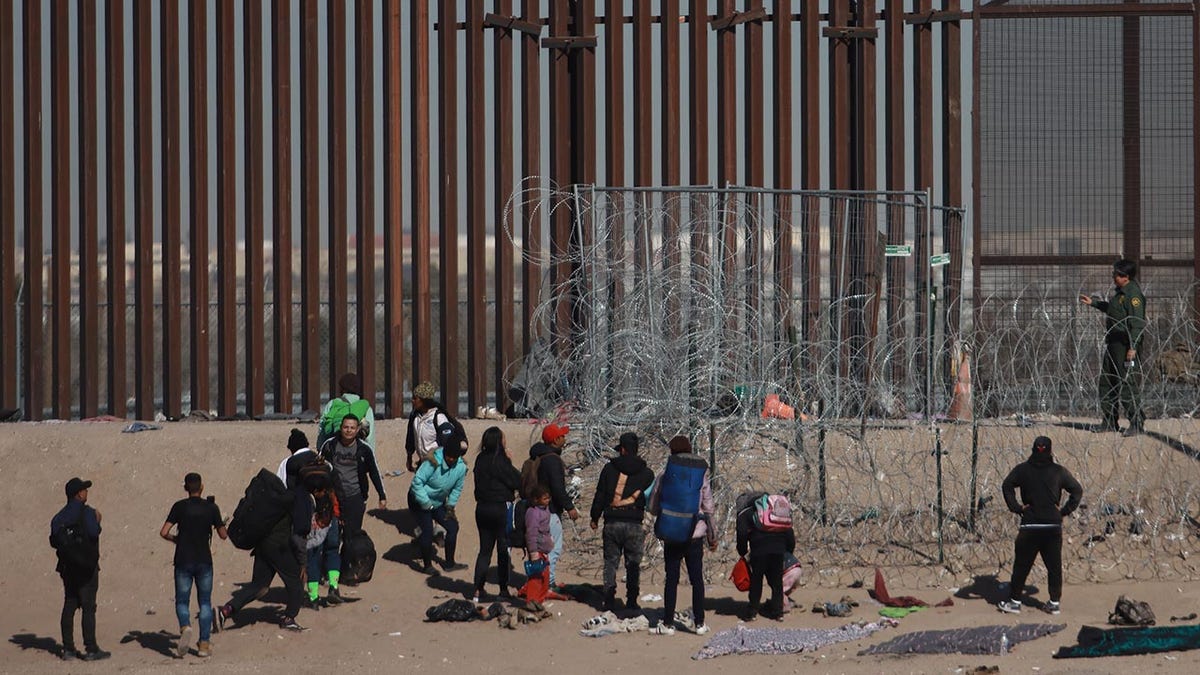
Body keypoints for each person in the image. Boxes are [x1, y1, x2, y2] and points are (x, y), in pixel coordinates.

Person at [219, 474, 318, 632]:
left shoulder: (280, 500)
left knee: (259, 586)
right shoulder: (302, 503)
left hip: (262, 545)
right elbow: (299, 537)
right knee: (297, 582)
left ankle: (227, 610)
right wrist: (303, 563)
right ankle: (289, 618)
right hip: (279, 548)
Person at [997, 435, 1083, 615]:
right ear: (1050, 451)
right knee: (1054, 566)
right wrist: (1064, 511)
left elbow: (1007, 486)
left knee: (1022, 565)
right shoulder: (1058, 471)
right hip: (1052, 526)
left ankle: (1014, 602)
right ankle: (1054, 603)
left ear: (1033, 449)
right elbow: (1076, 490)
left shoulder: (1023, 470)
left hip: (1030, 524)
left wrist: (1016, 508)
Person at [648, 436, 716, 635]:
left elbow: (653, 502)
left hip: (672, 532)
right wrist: (713, 535)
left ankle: (668, 623)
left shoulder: (666, 472)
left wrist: (659, 515)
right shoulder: (699, 474)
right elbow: (708, 505)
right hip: (695, 533)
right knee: (697, 579)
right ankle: (700, 623)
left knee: (672, 578)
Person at [159, 473, 228, 658]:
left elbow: (164, 531)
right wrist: (220, 522)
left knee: (182, 600)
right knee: (204, 602)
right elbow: (223, 535)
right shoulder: (211, 507)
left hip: (183, 559)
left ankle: (185, 626)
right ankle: (204, 644)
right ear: (202, 487)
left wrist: (177, 540)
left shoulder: (179, 507)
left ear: (185, 488)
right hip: (204, 560)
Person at [589, 431, 655, 612]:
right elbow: (652, 500)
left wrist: (594, 516)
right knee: (633, 564)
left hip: (612, 521)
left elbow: (600, 495)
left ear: (623, 450)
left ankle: (609, 598)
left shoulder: (609, 469)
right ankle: (632, 601)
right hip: (635, 523)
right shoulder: (647, 474)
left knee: (610, 562)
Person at [1079, 259, 1147, 436]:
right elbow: (1114, 311)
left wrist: (1133, 346)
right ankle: (1109, 420)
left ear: (1125, 277)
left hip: (1126, 345)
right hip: (1113, 343)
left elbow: (1137, 323)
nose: (1113, 277)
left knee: (1126, 384)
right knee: (1107, 381)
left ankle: (1137, 422)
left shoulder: (1133, 295)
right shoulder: (1121, 294)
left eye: (1116, 274)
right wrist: (1094, 303)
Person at [49, 477, 110, 661]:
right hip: (87, 567)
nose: (86, 492)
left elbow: (54, 540)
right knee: (88, 606)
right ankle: (91, 648)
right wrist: (98, 520)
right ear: (78, 494)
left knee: (69, 603)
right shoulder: (89, 512)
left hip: (68, 567)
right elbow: (93, 532)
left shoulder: (58, 517)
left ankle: (68, 649)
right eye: (84, 489)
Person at [407, 425, 469, 575]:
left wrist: (450, 507)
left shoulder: (460, 468)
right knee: (428, 530)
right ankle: (427, 565)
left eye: (454, 457)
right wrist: (425, 503)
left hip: (438, 502)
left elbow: (457, 489)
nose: (450, 459)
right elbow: (417, 482)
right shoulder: (432, 461)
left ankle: (449, 563)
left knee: (452, 527)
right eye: (449, 456)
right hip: (419, 499)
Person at [471, 427, 522, 602]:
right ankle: (503, 589)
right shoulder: (500, 460)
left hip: (482, 508)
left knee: (484, 551)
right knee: (502, 550)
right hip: (500, 508)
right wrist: (509, 461)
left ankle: (478, 589)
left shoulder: (480, 459)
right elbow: (517, 480)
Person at [320, 414, 387, 543]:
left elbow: (374, 472)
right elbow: (319, 469)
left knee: (352, 537)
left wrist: (382, 495)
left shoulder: (364, 449)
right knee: (332, 538)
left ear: (357, 430)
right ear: (341, 428)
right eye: (346, 427)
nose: (349, 430)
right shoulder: (329, 446)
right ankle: (334, 562)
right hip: (333, 497)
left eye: (352, 428)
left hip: (355, 496)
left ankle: (348, 562)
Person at [528, 423, 579, 588]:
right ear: (556, 440)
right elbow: (557, 488)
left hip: (536, 509)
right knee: (553, 548)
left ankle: (539, 581)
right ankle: (548, 583)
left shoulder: (539, 456)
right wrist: (569, 507)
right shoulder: (553, 460)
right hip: (550, 511)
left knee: (540, 548)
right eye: (562, 435)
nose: (565, 438)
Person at [736, 491, 795, 621]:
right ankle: (778, 612)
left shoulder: (746, 513)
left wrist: (742, 552)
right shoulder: (775, 511)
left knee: (756, 580)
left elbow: (741, 534)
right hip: (778, 549)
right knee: (776, 582)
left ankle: (752, 611)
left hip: (758, 549)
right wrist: (787, 551)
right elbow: (789, 532)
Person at [305, 475, 345, 609]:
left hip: (314, 521)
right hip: (331, 517)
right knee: (333, 551)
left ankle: (313, 598)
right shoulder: (330, 473)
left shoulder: (305, 476)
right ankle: (333, 587)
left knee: (313, 557)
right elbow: (339, 494)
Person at [317, 372, 376, 452]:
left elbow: (322, 429)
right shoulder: (366, 408)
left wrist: (320, 449)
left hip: (334, 451)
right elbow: (369, 437)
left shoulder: (332, 404)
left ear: (342, 389)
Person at [405, 381, 452, 472]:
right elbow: (410, 438)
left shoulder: (438, 417)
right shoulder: (415, 417)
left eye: (415, 398)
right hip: (423, 464)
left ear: (423, 401)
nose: (412, 401)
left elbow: (447, 443)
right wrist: (409, 456)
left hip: (437, 465)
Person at [520, 485, 554, 603]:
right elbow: (531, 533)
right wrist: (533, 551)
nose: (548, 501)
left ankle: (540, 600)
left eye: (548, 498)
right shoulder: (533, 513)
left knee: (545, 576)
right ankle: (532, 602)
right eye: (545, 499)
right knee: (536, 578)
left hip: (544, 549)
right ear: (536, 499)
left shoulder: (545, 510)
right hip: (537, 550)